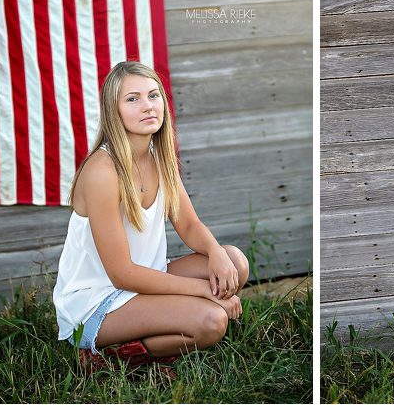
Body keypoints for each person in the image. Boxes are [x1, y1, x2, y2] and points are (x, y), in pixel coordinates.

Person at [53, 61, 250, 373]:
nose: (147, 106)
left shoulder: (158, 158)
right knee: (212, 321)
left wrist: (215, 252)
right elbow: (122, 275)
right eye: (132, 99)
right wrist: (203, 292)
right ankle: (114, 354)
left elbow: (188, 224)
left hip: (144, 282)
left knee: (234, 262)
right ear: (113, 110)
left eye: (153, 95)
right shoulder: (102, 172)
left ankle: (154, 326)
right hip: (98, 301)